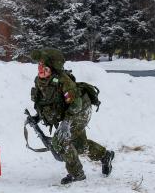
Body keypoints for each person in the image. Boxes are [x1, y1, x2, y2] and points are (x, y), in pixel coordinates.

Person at [30, 48, 114, 184]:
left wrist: (65, 123)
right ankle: (105, 155)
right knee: (80, 146)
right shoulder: (39, 81)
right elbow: (46, 102)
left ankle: (77, 174)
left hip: (80, 111)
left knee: (60, 141)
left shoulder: (64, 81)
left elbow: (76, 105)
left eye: (44, 67)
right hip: (70, 112)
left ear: (52, 69)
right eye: (39, 66)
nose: (40, 69)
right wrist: (38, 117)